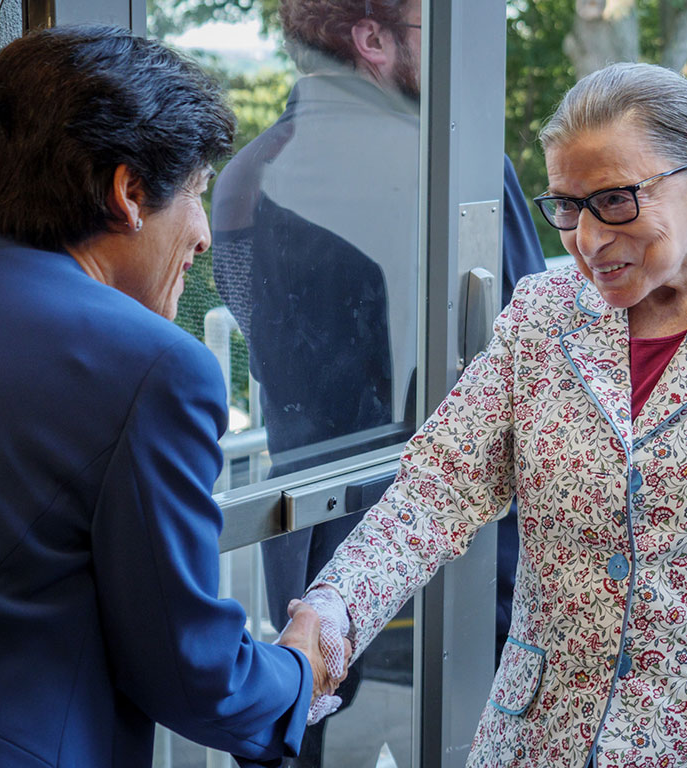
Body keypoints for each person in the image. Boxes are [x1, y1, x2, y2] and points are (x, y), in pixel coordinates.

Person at [0, 25, 346, 768]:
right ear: (127, 193)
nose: (206, 235)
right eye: (194, 194)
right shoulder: (156, 367)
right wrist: (298, 674)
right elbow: (194, 674)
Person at [305, 61, 687, 768]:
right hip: (535, 741)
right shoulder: (542, 315)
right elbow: (436, 491)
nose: (586, 240)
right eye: (566, 205)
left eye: (615, 200)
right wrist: (334, 608)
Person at [211, 4, 544, 761]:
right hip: (457, 553)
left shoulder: (246, 178)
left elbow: (262, 339)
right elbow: (520, 344)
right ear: (372, 41)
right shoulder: (459, 167)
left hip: (308, 543)